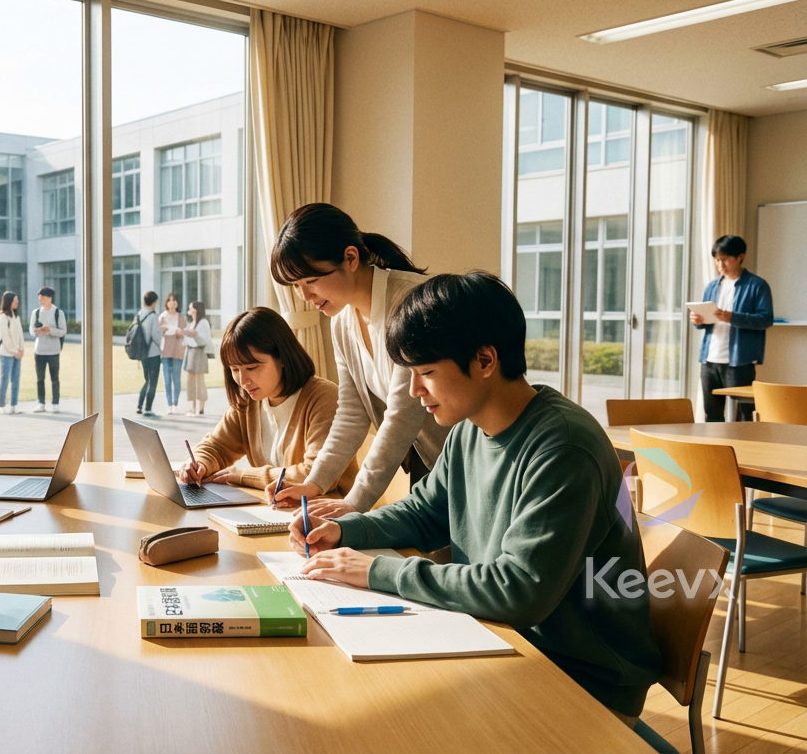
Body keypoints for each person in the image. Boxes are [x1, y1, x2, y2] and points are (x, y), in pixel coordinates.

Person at [290, 271, 662, 725]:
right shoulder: (469, 430)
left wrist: (376, 570)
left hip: (580, 677)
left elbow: (518, 590)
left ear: (485, 359)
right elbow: (427, 511)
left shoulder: (564, 447)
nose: (413, 391)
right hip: (501, 639)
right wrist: (347, 527)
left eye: (426, 372)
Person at [268, 204, 450, 517]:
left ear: (351, 258)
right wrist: (315, 484)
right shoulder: (342, 321)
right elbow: (352, 413)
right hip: (429, 461)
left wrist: (353, 504)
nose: (304, 296)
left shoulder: (410, 303)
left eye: (310, 280)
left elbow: (401, 416)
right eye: (296, 286)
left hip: (465, 453)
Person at [178, 307, 354, 494]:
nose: (243, 381)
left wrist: (244, 475)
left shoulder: (323, 397)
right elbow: (218, 446)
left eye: (252, 367)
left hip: (325, 510)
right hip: (276, 509)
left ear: (283, 358)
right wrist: (198, 464)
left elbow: (315, 474)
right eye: (235, 369)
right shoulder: (249, 400)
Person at [692, 234, 773, 422]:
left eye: (725, 259)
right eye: (717, 260)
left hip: (739, 361)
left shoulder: (757, 285)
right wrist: (699, 320)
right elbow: (706, 321)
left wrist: (732, 317)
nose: (720, 265)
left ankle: (743, 451)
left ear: (740, 257)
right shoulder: (712, 286)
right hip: (709, 359)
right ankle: (715, 450)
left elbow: (766, 319)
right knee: (711, 414)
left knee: (744, 415)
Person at [30, 286, 66, 413]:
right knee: (40, 378)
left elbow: (63, 331)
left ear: (50, 298)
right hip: (39, 350)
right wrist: (38, 331)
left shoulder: (58, 313)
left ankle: (55, 403)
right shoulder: (36, 313)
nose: (41, 301)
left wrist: (50, 330)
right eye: (39, 299)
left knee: (54, 378)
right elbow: (31, 331)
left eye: (43, 299)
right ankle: (41, 403)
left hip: (53, 351)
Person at [0, 290, 25, 415]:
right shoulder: (2, 317)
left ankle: (13, 405)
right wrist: (14, 351)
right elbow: (5, 338)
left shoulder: (15, 316)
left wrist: (21, 349)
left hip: (17, 354)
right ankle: (1, 405)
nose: (17, 302)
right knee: (5, 379)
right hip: (6, 354)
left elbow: (20, 335)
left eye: (17, 300)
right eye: (15, 300)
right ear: (8, 301)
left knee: (16, 380)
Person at [134, 291, 162, 417]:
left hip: (142, 353)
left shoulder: (139, 314)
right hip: (153, 353)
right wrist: (163, 332)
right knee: (153, 381)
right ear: (154, 302)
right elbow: (156, 336)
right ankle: (148, 408)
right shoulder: (153, 316)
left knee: (147, 380)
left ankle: (140, 405)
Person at [158, 293, 188, 415]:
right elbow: (157, 332)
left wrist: (181, 332)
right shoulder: (162, 317)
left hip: (177, 350)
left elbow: (186, 331)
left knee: (176, 379)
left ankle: (175, 404)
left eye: (174, 300)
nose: (172, 302)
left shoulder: (181, 317)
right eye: (169, 300)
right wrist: (162, 329)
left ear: (177, 303)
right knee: (167, 379)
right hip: (165, 351)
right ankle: (169, 405)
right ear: (166, 303)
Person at [181, 300, 211, 416]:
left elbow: (205, 340)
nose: (190, 310)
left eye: (192, 308)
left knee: (199, 381)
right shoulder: (192, 323)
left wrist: (195, 335)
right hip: (190, 353)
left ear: (197, 309)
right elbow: (186, 341)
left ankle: (201, 408)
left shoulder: (203, 323)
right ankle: (193, 407)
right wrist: (184, 334)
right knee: (191, 381)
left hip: (199, 353)